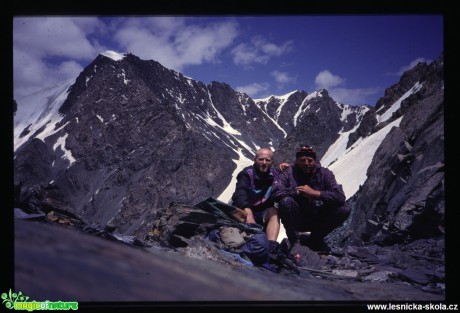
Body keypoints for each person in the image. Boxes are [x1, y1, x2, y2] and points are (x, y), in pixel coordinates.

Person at [272, 144, 351, 254]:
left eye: (310, 160)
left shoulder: (325, 174)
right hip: (297, 217)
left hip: (319, 217)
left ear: (314, 161)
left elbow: (340, 197)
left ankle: (316, 239)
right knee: (286, 202)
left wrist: (315, 193)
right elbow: (275, 192)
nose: (306, 163)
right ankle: (294, 241)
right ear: (297, 160)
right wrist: (297, 191)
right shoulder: (288, 172)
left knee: (344, 209)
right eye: (303, 160)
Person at [230, 148, 281, 251]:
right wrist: (248, 213)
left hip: (261, 212)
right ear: (255, 159)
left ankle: (271, 247)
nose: (264, 163)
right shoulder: (246, 174)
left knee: (274, 212)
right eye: (261, 159)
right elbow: (240, 194)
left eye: (267, 160)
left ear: (272, 162)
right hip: (243, 210)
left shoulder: (275, 175)